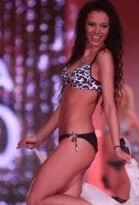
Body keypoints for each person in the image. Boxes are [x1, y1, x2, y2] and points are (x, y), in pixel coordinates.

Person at [16, 0, 131, 204]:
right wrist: (41, 136)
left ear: (110, 29)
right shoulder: (80, 56)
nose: (97, 31)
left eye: (103, 26)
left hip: (78, 142)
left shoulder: (103, 56)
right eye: (92, 24)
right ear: (83, 25)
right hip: (69, 140)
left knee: (35, 200)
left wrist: (116, 147)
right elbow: (64, 106)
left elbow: (110, 105)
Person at [101, 83, 139, 202]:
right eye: (117, 96)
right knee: (114, 195)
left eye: (123, 96)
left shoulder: (130, 117)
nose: (120, 99)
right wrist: (103, 166)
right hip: (110, 161)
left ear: (128, 99)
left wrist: (135, 148)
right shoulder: (107, 115)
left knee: (123, 194)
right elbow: (103, 143)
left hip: (125, 161)